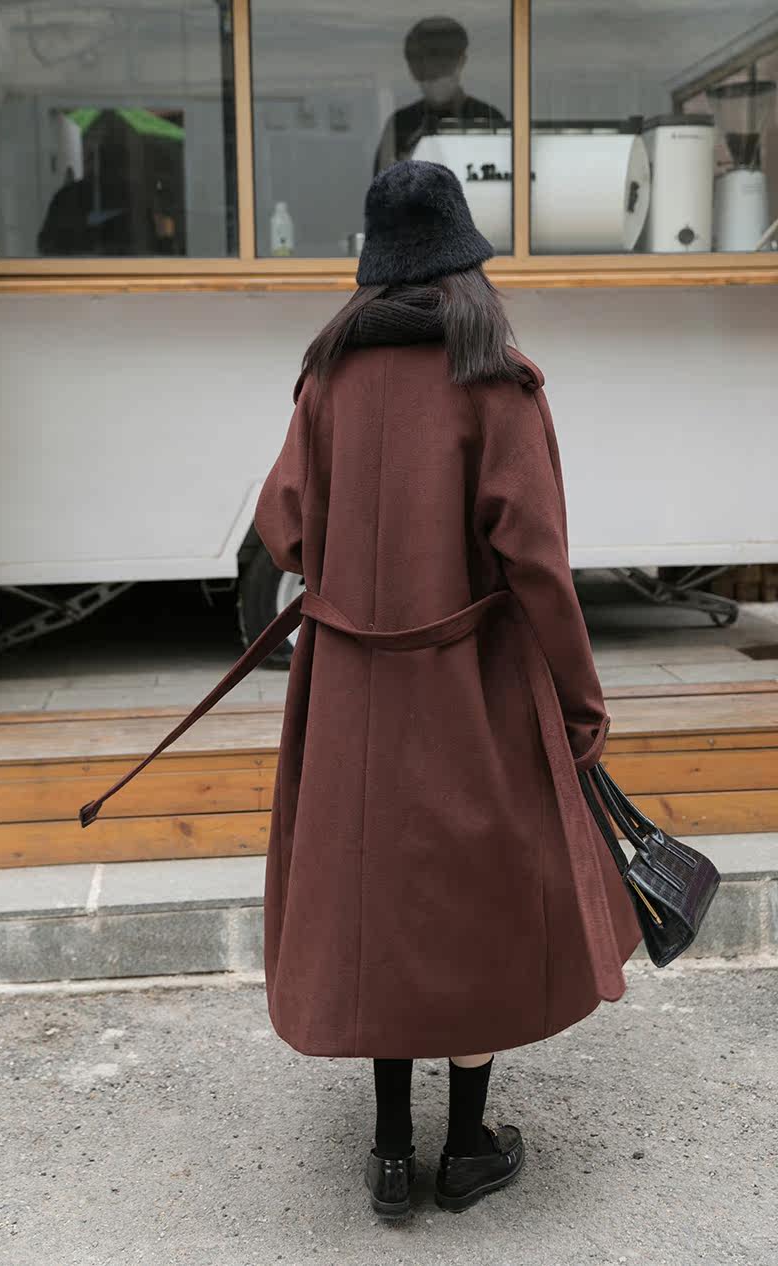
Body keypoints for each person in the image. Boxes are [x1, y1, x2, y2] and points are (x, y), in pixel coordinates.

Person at [253, 159, 642, 1217]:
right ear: (467, 264)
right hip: (470, 685)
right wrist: (580, 703)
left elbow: (283, 528)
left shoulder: (325, 378)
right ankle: (466, 1149)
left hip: (348, 691)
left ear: (373, 268)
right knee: (472, 905)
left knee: (375, 896)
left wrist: (352, 562)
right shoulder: (498, 382)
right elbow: (538, 564)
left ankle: (389, 1154)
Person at [374, 16, 506, 173]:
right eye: (422, 69)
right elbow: (383, 183)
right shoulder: (400, 125)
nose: (432, 76)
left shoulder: (488, 119)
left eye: (443, 66)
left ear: (461, 62)